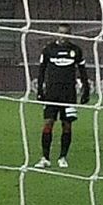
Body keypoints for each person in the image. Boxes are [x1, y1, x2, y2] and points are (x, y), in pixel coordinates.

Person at [34, 24, 92, 169]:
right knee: (48, 123)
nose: (63, 35)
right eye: (60, 33)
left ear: (70, 35)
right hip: (51, 94)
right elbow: (41, 71)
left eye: (66, 33)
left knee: (67, 125)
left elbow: (82, 71)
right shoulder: (48, 50)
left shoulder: (76, 50)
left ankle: (62, 157)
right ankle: (45, 158)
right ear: (56, 33)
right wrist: (39, 89)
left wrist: (86, 90)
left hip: (68, 95)